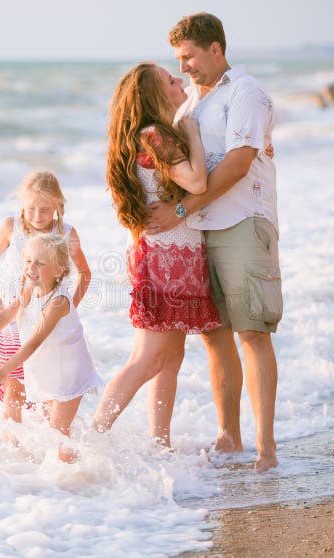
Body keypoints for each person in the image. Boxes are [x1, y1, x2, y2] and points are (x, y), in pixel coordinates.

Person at [146, 13, 282, 471]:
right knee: (214, 336)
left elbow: (241, 162)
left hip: (245, 222)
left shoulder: (246, 93)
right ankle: (229, 438)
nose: (183, 67)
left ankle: (265, 449)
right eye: (178, 60)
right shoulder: (191, 108)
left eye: (188, 57)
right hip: (203, 233)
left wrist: (181, 208)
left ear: (215, 50)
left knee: (252, 332)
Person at [91, 62, 222, 447]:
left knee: (171, 358)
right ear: (156, 96)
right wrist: (192, 131)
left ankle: (159, 443)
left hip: (175, 257)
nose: (179, 80)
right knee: (148, 358)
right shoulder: (155, 136)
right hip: (166, 261)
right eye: (170, 80)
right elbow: (197, 181)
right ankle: (91, 438)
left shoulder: (151, 135)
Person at [0, 233, 103, 463]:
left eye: (40, 263)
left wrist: (4, 370)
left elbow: (34, 340)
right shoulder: (30, 288)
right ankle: (69, 468)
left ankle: (75, 481)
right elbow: (8, 314)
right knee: (52, 428)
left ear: (58, 271)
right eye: (28, 261)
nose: (31, 267)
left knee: (58, 434)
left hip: (69, 374)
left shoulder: (58, 302)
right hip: (47, 369)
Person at [0, 171, 91, 432]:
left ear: (58, 207)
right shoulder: (10, 228)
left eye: (45, 209)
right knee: (14, 386)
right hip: (12, 317)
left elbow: (85, 273)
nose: (37, 216)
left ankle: (48, 445)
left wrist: (67, 309)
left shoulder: (67, 232)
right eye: (31, 209)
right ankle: (12, 449)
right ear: (21, 206)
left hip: (45, 318)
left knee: (47, 386)